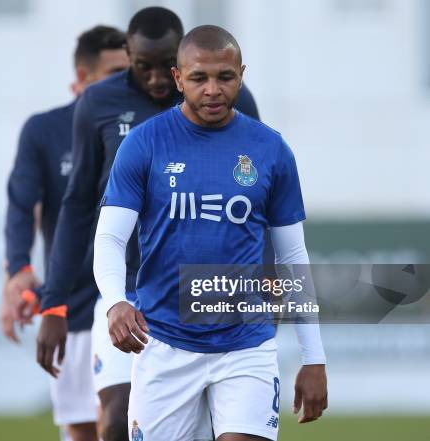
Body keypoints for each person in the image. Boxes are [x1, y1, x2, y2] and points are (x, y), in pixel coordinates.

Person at [35, 7, 261, 441]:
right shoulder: (98, 103)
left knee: (213, 428)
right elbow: (79, 203)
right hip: (131, 292)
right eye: (143, 67)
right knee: (117, 416)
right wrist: (54, 303)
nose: (157, 79)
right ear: (128, 54)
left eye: (166, 67)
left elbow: (258, 200)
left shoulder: (228, 98)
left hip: (207, 294)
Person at [93, 25, 328, 441]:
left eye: (225, 76)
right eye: (199, 78)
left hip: (246, 344)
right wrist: (114, 302)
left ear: (241, 74)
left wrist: (314, 358)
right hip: (164, 343)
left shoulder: (271, 149)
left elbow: (293, 257)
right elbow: (111, 238)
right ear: (178, 78)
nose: (213, 89)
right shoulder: (145, 145)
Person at [1, 26, 129, 441]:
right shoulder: (44, 130)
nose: (125, 82)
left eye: (130, 71)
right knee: (82, 427)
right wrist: (18, 268)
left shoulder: (144, 124)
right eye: (114, 72)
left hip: (129, 298)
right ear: (83, 75)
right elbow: (22, 205)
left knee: (127, 419)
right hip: (72, 300)